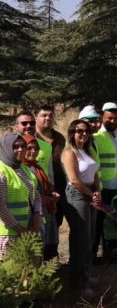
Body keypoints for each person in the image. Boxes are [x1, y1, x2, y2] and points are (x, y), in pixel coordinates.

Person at [60, 121, 99, 297]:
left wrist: (97, 191)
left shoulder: (88, 150)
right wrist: (92, 194)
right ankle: (78, 282)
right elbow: (74, 179)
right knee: (80, 240)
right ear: (72, 132)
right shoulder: (69, 152)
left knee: (90, 237)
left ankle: (87, 275)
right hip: (77, 195)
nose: (83, 134)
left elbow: (95, 172)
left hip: (90, 193)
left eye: (86, 131)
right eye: (79, 131)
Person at [92, 103, 117, 258]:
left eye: (115, 118)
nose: (112, 121)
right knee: (99, 222)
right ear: (102, 117)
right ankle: (94, 254)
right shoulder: (98, 137)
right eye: (109, 118)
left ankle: (112, 251)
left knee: (116, 220)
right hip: (105, 186)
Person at [34, 105, 67, 262]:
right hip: (36, 187)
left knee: (55, 223)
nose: (47, 118)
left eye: (50, 116)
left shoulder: (59, 138)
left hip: (57, 185)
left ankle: (52, 262)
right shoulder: (30, 139)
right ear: (36, 117)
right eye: (43, 115)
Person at [22, 134, 59, 264]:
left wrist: (51, 195)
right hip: (29, 217)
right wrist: (39, 199)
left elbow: (43, 188)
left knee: (42, 253)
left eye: (36, 148)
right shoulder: (19, 168)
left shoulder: (37, 167)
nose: (33, 151)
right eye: (29, 148)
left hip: (43, 214)